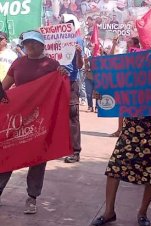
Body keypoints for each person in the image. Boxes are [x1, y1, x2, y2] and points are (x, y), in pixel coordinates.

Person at [91, 36, 151, 226]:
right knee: (114, 168)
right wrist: (101, 95)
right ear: (150, 49)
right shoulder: (136, 70)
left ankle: (142, 213)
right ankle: (109, 212)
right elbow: (117, 89)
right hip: (133, 128)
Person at [0, 30, 68, 214]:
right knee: (9, 149)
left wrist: (62, 73)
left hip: (41, 119)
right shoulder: (18, 63)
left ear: (42, 45)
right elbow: (5, 88)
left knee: (37, 157)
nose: (30, 46)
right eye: (27, 43)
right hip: (18, 117)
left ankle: (32, 197)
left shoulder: (52, 65)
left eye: (34, 43)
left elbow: (61, 88)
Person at [61, 14, 84, 163]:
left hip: (70, 82)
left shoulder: (78, 41)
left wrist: (79, 53)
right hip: (56, 83)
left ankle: (75, 151)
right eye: (65, 24)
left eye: (70, 24)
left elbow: (80, 65)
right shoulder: (56, 40)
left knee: (72, 116)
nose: (67, 26)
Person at [108, 36, 141, 137]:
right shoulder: (124, 54)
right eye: (127, 42)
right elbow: (111, 57)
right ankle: (119, 130)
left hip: (136, 87)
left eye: (130, 42)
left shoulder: (140, 55)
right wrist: (114, 44)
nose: (127, 44)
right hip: (124, 85)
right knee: (122, 108)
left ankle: (134, 130)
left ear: (135, 45)